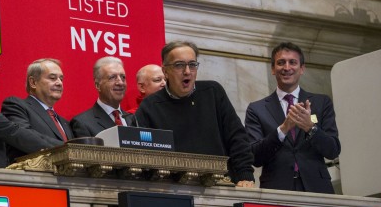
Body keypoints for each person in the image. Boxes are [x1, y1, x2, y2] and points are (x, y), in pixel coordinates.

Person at [135, 41, 255, 187]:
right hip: (172, 190)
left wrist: (245, 174)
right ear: (165, 71)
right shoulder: (149, 107)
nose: (187, 71)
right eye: (179, 65)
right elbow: (139, 154)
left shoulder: (213, 92)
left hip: (221, 185)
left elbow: (237, 137)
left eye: (192, 64)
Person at [245, 42, 340, 193]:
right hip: (276, 189)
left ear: (302, 68)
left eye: (293, 62)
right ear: (273, 69)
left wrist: (311, 127)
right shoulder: (257, 109)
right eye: (281, 62)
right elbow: (254, 157)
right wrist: (282, 130)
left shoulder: (321, 103)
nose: (287, 68)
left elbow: (333, 150)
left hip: (317, 188)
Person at [1, 58, 73, 160]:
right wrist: (68, 149)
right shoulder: (16, 106)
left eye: (61, 79)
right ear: (33, 82)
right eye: (52, 78)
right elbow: (25, 137)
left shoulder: (65, 123)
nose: (59, 83)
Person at [71, 56, 136, 137]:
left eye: (123, 77)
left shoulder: (134, 120)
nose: (120, 83)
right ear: (97, 85)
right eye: (112, 77)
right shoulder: (83, 123)